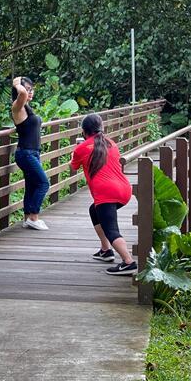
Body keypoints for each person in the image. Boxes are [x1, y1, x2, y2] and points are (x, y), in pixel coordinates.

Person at [70, 114, 137, 276]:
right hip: (124, 189)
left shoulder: (81, 148)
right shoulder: (111, 143)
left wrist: (75, 151)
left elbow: (73, 168)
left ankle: (129, 262)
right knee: (94, 210)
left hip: (106, 193)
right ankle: (105, 250)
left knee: (111, 230)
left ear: (84, 132)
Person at [11, 76, 49, 230]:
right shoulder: (17, 106)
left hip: (32, 153)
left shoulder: (26, 107)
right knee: (43, 183)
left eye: (31, 89)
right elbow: (22, 95)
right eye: (27, 89)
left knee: (32, 185)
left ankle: (28, 217)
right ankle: (34, 216)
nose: (30, 92)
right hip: (25, 153)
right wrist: (16, 83)